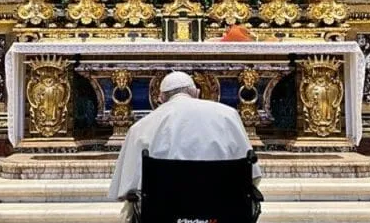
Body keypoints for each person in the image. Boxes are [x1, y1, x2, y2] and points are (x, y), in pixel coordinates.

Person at [109, 71, 262, 202]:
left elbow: (128, 188)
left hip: (162, 217)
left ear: (161, 98)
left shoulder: (141, 128)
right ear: (196, 93)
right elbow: (252, 174)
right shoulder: (228, 116)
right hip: (223, 216)